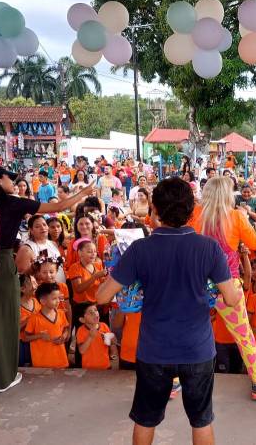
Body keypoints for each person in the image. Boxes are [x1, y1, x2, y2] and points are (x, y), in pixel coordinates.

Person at [95, 177, 242, 445]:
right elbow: (231, 299)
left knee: (146, 418)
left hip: (154, 351)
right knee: (201, 420)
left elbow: (102, 295)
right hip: (197, 349)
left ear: (155, 210)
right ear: (190, 211)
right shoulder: (209, 248)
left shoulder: (140, 249)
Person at [0, 165, 93, 392]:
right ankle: (5, 378)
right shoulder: (13, 202)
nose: (12, 182)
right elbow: (59, 206)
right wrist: (83, 194)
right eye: (9, 178)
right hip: (1, 262)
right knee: (5, 319)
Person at [189, 177, 256, 400]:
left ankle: (175, 382)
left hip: (195, 286)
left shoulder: (194, 214)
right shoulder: (236, 216)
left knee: (185, 332)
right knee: (244, 336)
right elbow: (255, 245)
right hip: (228, 287)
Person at [24, 282, 70, 369]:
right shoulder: (34, 318)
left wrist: (63, 336)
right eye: (54, 299)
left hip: (60, 360)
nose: (58, 301)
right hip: (42, 363)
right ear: (43, 301)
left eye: (58, 298)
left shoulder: (61, 313)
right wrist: (40, 335)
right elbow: (25, 337)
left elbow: (66, 329)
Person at [77, 304, 118, 370]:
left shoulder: (104, 326)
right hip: (88, 369)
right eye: (91, 312)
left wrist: (113, 343)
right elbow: (81, 350)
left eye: (96, 310)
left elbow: (113, 351)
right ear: (82, 320)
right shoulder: (81, 330)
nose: (95, 313)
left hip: (106, 366)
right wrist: (90, 337)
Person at [18, 274, 39, 367]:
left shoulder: (36, 301)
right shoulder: (16, 306)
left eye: (36, 282)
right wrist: (30, 319)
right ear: (22, 289)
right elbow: (14, 329)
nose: (36, 286)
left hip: (35, 340)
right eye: (33, 283)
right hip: (21, 343)